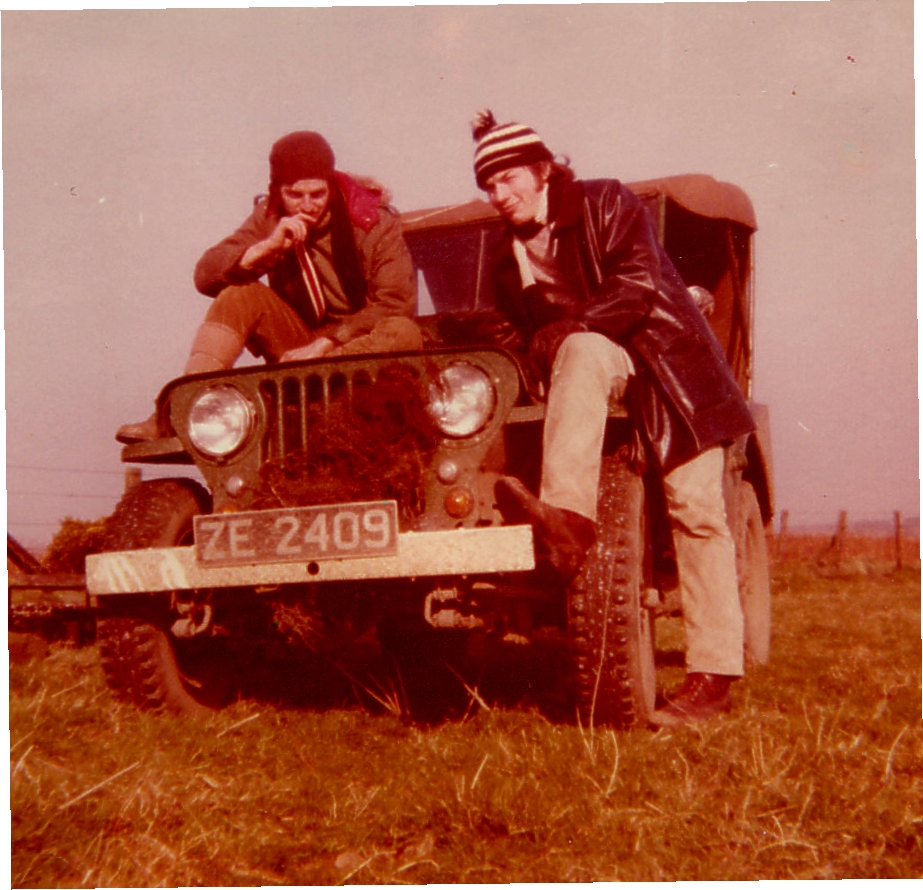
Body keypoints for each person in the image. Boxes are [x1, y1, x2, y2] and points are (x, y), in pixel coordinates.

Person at [469, 109, 756, 728]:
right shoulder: (504, 258)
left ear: (543, 171)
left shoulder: (605, 202)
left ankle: (712, 680)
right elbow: (510, 332)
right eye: (488, 185)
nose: (499, 194)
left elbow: (639, 284)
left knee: (697, 513)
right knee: (577, 349)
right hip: (599, 367)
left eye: (509, 178)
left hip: (673, 372)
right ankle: (568, 518)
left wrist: (569, 326)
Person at [117, 130, 421, 443]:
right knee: (239, 294)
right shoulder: (269, 216)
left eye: (317, 194)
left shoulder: (373, 220)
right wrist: (261, 251)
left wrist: (327, 344)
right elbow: (205, 273)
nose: (307, 206)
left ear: (331, 186)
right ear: (277, 190)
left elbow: (395, 304)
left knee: (403, 330)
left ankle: (324, 369)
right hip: (300, 345)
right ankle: (180, 410)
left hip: (358, 348)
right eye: (294, 195)